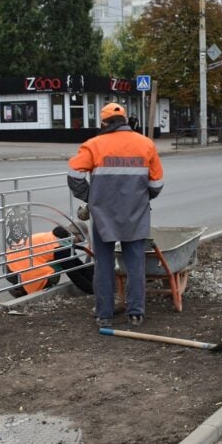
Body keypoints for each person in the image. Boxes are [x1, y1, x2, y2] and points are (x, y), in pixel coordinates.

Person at [68, 103, 164, 329]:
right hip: (136, 214)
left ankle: (104, 315)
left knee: (103, 264)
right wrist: (141, 198)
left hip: (103, 215)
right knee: (135, 263)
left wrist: (90, 197)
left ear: (103, 123)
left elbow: (74, 176)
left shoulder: (93, 145)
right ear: (126, 122)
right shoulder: (145, 144)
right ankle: (136, 314)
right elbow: (157, 184)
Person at [5, 225, 93, 298]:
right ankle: (21, 291)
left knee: (56, 265)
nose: (78, 243)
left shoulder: (57, 238)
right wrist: (93, 291)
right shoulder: (60, 248)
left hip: (9, 264)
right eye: (79, 240)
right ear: (74, 235)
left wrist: (94, 281)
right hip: (15, 269)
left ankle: (19, 287)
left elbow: (78, 264)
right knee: (54, 276)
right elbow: (75, 275)